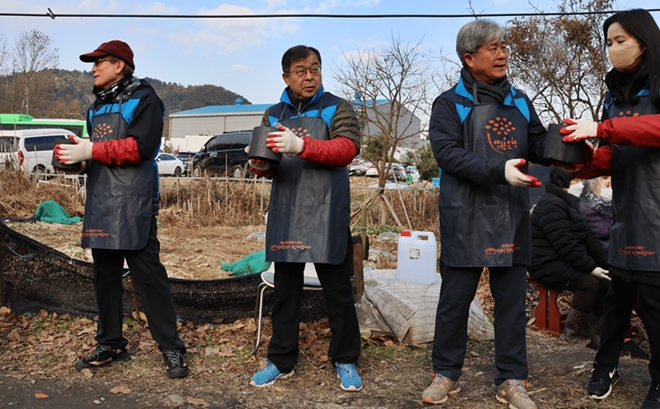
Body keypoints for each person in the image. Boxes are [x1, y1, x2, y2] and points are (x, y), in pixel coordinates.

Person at [423, 19, 549, 409]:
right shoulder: (450, 103)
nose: (503, 53)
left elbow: (540, 142)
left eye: (504, 46)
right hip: (465, 215)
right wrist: (499, 171)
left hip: (510, 215)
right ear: (469, 57)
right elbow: (448, 154)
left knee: (510, 301)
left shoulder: (521, 100)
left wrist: (570, 143)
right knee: (455, 300)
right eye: (493, 48)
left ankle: (512, 379)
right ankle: (445, 373)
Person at [54, 40, 189, 379]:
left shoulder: (145, 100)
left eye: (100, 62)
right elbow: (99, 157)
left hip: (135, 203)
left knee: (149, 277)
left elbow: (142, 148)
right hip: (101, 202)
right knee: (106, 278)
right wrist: (76, 163)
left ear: (120, 66)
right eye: (92, 63)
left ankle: (171, 347)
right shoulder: (95, 108)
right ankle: (111, 342)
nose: (93, 68)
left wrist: (91, 149)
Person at [247, 45, 362, 392]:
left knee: (338, 290)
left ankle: (345, 358)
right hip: (287, 212)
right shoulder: (273, 113)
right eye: (301, 70)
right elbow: (267, 165)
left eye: (315, 68)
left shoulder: (337, 108)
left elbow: (347, 148)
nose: (310, 76)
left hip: (327, 212)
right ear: (286, 77)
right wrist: (260, 163)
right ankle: (281, 359)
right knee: (286, 290)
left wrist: (301, 146)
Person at [560, 9, 660, 408]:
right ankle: (607, 364)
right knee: (617, 300)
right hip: (627, 215)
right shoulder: (612, 94)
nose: (613, 48)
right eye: (609, 42)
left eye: (621, 40)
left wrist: (602, 130)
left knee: (655, 307)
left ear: (644, 39)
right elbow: (611, 156)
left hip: (658, 217)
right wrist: (579, 160)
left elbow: (653, 131)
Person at [529, 167, 610, 348]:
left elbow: (590, 240)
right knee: (589, 283)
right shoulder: (551, 204)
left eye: (580, 181)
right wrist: (591, 267)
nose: (579, 185)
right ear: (560, 183)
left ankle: (596, 334)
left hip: (564, 260)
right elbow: (565, 245)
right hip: (545, 263)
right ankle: (572, 335)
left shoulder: (571, 202)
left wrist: (609, 265)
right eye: (574, 182)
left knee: (606, 282)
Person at [578, 176, 613, 250]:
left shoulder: (614, 205)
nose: (610, 189)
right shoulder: (585, 208)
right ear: (593, 187)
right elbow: (602, 231)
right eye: (607, 186)